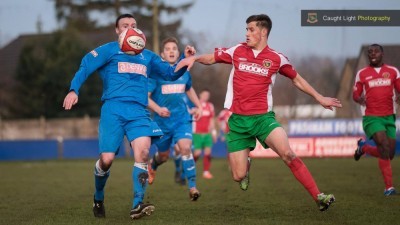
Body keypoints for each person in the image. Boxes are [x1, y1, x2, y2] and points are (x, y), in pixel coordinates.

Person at [175, 14, 342, 211]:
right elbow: (212, 57)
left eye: (251, 29)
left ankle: (318, 196)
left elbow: (297, 79)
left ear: (263, 32)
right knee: (238, 176)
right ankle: (246, 164)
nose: (247, 33)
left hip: (263, 119)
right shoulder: (237, 50)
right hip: (238, 122)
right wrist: (194, 58)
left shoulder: (276, 59)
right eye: (246, 29)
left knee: (288, 153)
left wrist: (319, 97)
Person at [62, 14, 194, 220]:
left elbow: (170, 73)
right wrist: (73, 90)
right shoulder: (108, 50)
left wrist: (185, 61)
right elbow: (85, 65)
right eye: (125, 26)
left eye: (134, 25)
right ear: (117, 30)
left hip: (139, 112)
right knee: (106, 161)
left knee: (142, 154)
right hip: (113, 110)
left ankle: (137, 204)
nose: (130, 29)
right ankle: (98, 197)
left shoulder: (148, 56)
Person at [147, 37, 202, 201]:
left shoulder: (184, 72)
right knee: (163, 156)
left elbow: (189, 89)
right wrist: (158, 109)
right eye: (167, 49)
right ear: (162, 55)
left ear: (178, 53)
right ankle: (154, 164)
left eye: (174, 49)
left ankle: (192, 187)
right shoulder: (156, 74)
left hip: (181, 120)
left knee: (185, 148)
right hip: (162, 123)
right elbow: (145, 97)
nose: (171, 51)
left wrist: (198, 105)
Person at [353, 44, 400, 196]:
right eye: (370, 52)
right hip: (371, 117)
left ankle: (363, 148)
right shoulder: (362, 73)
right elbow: (355, 94)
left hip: (389, 116)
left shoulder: (393, 72)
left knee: (388, 153)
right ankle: (389, 188)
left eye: (376, 51)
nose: (372, 54)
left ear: (382, 53)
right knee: (384, 146)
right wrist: (359, 98)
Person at [192, 89, 217, 179]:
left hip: (207, 133)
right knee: (197, 153)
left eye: (208, 95)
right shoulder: (194, 104)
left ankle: (206, 172)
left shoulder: (210, 106)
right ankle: (190, 168)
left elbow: (211, 120)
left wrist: (214, 132)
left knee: (208, 152)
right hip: (197, 133)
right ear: (200, 94)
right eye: (204, 94)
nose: (206, 96)